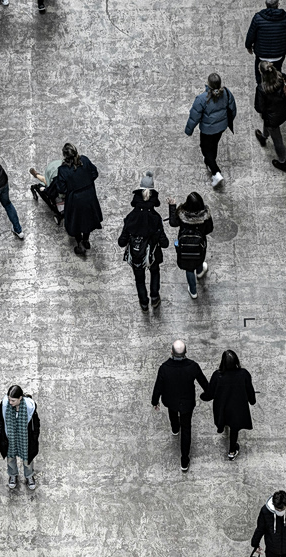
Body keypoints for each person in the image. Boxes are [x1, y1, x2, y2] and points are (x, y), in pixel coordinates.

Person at [151, 339, 209, 472]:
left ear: (171, 352)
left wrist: (155, 401)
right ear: (186, 352)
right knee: (187, 429)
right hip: (187, 403)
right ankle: (184, 460)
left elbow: (158, 387)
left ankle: (175, 428)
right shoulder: (193, 366)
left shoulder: (164, 368)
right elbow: (205, 385)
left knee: (172, 413)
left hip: (171, 400)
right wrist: (206, 396)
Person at [118, 176, 169, 312]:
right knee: (155, 272)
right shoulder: (156, 218)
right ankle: (154, 297)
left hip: (136, 254)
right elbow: (164, 243)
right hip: (152, 253)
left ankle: (144, 303)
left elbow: (121, 242)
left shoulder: (131, 217)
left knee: (139, 280)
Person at [202, 350, 256, 460]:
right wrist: (252, 400)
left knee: (223, 419)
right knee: (234, 429)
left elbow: (210, 394)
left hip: (222, 407)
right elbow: (249, 389)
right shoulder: (244, 374)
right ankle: (232, 451)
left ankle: (222, 427)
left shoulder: (217, 375)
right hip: (237, 408)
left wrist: (203, 396)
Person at [184, 73, 236, 187]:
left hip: (207, 130)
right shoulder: (227, 93)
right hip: (221, 128)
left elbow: (194, 116)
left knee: (205, 148)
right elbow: (233, 109)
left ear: (208, 84)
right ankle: (210, 162)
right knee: (214, 145)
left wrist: (189, 130)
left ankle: (216, 172)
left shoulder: (202, 99)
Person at [51, 143, 103, 256]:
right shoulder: (85, 160)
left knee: (76, 221)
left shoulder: (63, 170)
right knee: (88, 218)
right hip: (89, 196)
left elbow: (61, 188)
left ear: (65, 156)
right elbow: (95, 173)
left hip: (75, 200)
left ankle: (79, 244)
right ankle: (86, 240)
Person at [167, 192, 213, 300]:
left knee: (189, 269)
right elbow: (210, 229)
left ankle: (193, 291)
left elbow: (173, 223)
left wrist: (172, 206)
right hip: (199, 244)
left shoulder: (182, 214)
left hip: (184, 247)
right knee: (199, 257)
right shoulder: (205, 215)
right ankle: (200, 272)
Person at [254, 63, 286, 172]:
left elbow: (259, 108)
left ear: (261, 72)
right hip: (283, 111)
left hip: (271, 118)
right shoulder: (281, 78)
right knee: (268, 125)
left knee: (278, 141)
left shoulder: (261, 88)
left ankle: (283, 163)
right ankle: (263, 137)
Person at [0, 385, 40, 490]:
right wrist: (1, 433)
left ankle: (29, 476)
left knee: (27, 459)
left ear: (20, 398)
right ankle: (13, 475)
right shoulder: (5, 404)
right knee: (10, 457)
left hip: (25, 438)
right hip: (10, 437)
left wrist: (34, 437)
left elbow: (36, 423)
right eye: (9, 399)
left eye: (13, 400)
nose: (10, 402)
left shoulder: (30, 407)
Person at [245, 0, 286, 84]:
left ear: (266, 4)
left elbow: (251, 35)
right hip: (278, 55)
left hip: (261, 55)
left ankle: (261, 90)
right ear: (278, 4)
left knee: (260, 78)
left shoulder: (257, 18)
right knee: (277, 74)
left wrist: (248, 46)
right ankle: (276, 89)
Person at [28, 157, 64, 225]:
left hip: (60, 197)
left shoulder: (57, 183)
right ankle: (36, 174)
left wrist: (45, 190)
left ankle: (36, 174)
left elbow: (50, 192)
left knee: (44, 182)